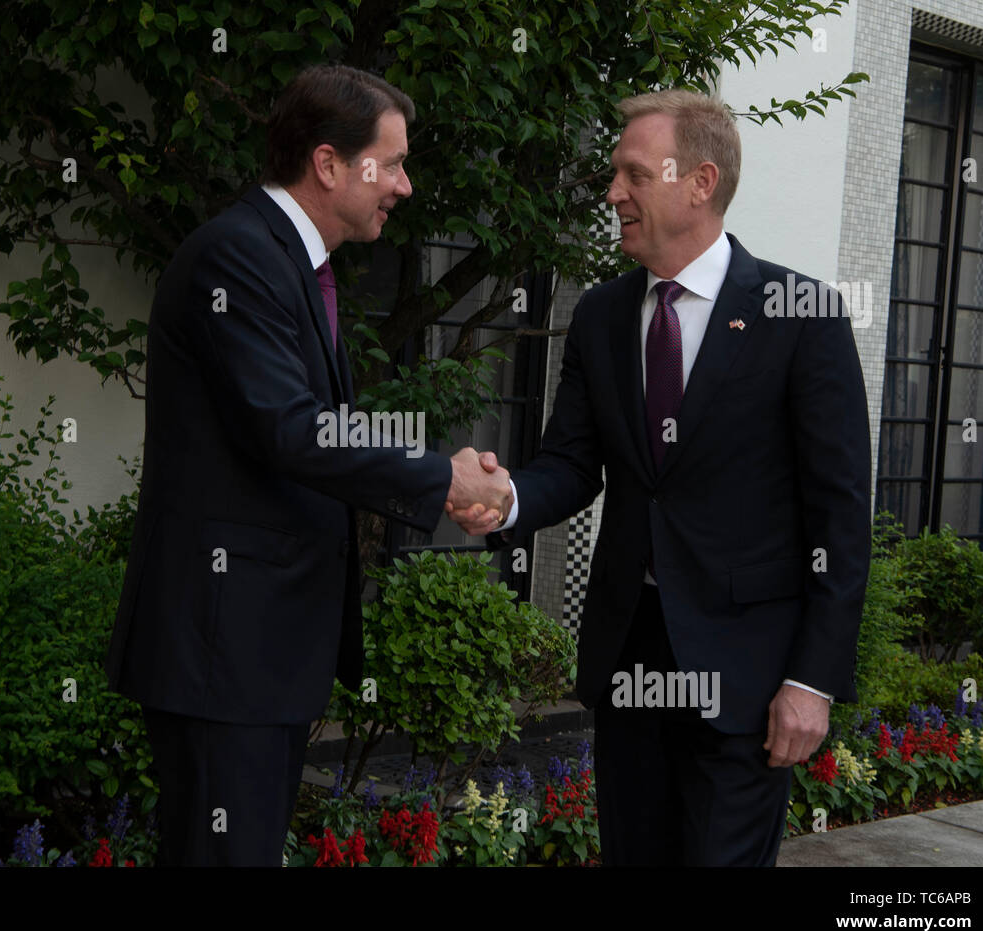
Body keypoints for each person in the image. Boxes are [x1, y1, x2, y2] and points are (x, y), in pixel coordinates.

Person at [450, 89, 871, 865]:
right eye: (617, 176)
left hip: (747, 675)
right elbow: (573, 464)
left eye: (633, 175)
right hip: (630, 658)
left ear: (700, 182)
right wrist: (507, 498)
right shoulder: (603, 316)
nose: (614, 194)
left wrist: (813, 681)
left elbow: (840, 517)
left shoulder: (801, 314)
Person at [105, 63, 512, 866]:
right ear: (329, 164)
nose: (404, 183)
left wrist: (443, 469)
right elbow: (292, 431)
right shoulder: (239, 258)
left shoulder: (288, 262)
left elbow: (314, 431)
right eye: (390, 164)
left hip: (255, 649)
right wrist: (444, 480)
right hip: (226, 649)